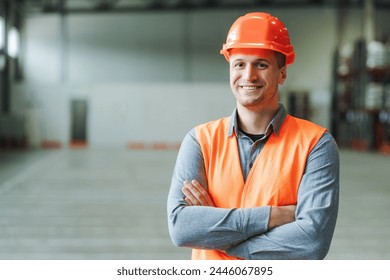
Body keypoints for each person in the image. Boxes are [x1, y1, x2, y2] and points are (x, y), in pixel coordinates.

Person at [167, 12, 339, 260]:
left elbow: (311, 242)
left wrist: (220, 237)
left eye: (261, 64)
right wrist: (272, 216)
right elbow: (181, 229)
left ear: (282, 73)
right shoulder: (199, 141)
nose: (248, 76)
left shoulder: (316, 144)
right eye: (239, 64)